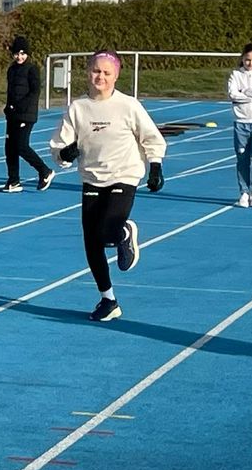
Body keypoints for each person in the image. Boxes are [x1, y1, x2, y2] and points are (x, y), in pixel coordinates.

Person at [50, 50, 166, 323]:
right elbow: (59, 145)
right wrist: (64, 154)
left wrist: (155, 166)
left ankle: (123, 231)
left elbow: (151, 137)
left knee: (108, 230)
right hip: (92, 178)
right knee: (92, 242)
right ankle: (108, 299)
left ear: (116, 76)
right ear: (87, 72)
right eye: (95, 70)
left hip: (124, 174)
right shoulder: (77, 108)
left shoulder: (128, 105)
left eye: (106, 72)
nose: (100, 76)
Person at [2, 35, 55, 193]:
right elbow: (11, 92)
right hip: (12, 114)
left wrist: (20, 107)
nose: (19, 57)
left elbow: (34, 92)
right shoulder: (11, 69)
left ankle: (44, 171)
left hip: (26, 114)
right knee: (10, 148)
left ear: (27, 54)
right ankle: (13, 181)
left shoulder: (32, 69)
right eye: (17, 53)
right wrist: (8, 108)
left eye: (22, 53)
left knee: (21, 146)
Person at [226, 42, 252, 207]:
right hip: (241, 123)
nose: (250, 63)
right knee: (242, 159)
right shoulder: (236, 74)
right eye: (247, 60)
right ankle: (244, 192)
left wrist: (244, 91)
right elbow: (233, 94)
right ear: (242, 59)